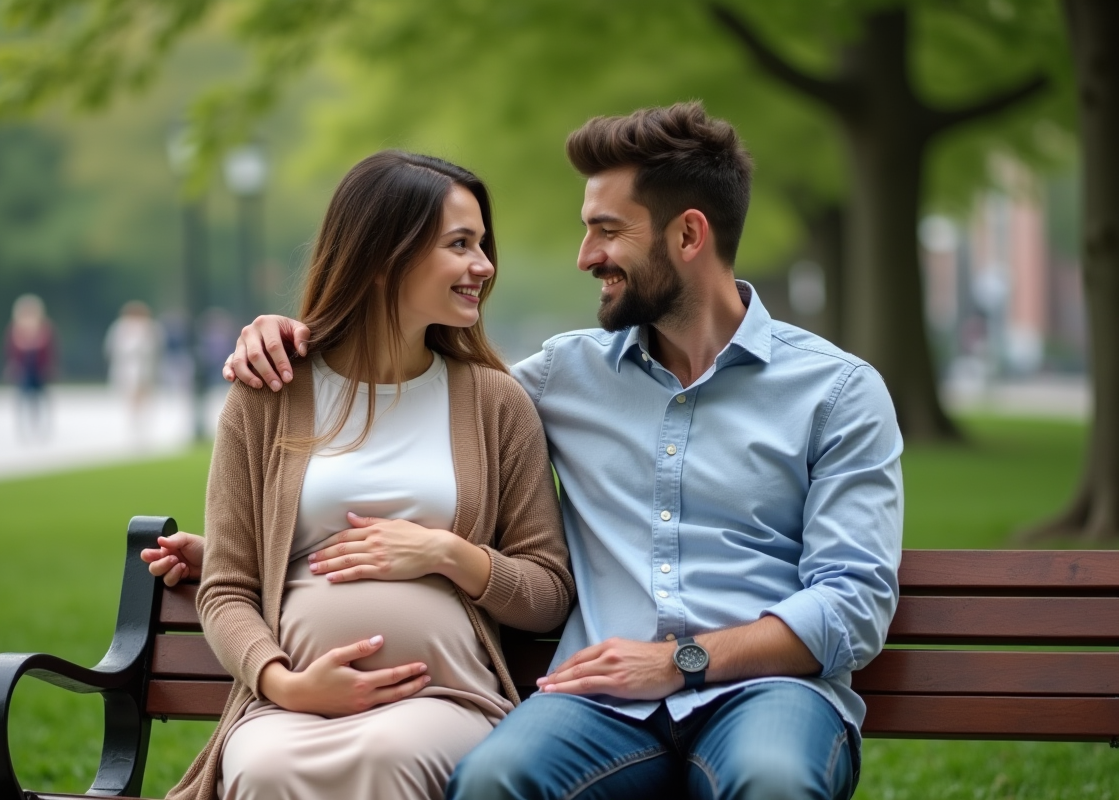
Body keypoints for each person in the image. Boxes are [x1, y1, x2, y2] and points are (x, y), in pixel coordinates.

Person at [169, 102, 904, 799]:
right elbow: (407, 405)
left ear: (688, 236)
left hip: (768, 691)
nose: (586, 256)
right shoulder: (558, 377)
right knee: (498, 780)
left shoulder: (836, 393)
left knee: (772, 780)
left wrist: (678, 661)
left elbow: (854, 602)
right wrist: (261, 532)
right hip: (602, 702)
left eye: (607, 231)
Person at [150, 150, 573, 800]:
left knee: (387, 754)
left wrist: (445, 552)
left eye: (482, 245)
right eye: (460, 244)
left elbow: (548, 589)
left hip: (445, 698)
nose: (484, 266)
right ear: (382, 258)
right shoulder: (269, 392)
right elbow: (228, 587)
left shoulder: (495, 403)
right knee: (263, 767)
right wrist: (286, 685)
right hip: (289, 704)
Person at [104, 300, 164, 433]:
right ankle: (134, 420)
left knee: (145, 394)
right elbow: (113, 347)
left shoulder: (150, 327)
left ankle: (142, 420)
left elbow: (155, 348)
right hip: (127, 367)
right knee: (130, 394)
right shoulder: (121, 327)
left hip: (145, 367)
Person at [4, 293, 56, 439]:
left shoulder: (44, 328)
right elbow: (10, 350)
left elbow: (50, 350)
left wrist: (50, 366)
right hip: (23, 369)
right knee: (22, 398)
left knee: (41, 398)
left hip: (39, 369)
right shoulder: (15, 329)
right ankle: (23, 427)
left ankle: (40, 426)